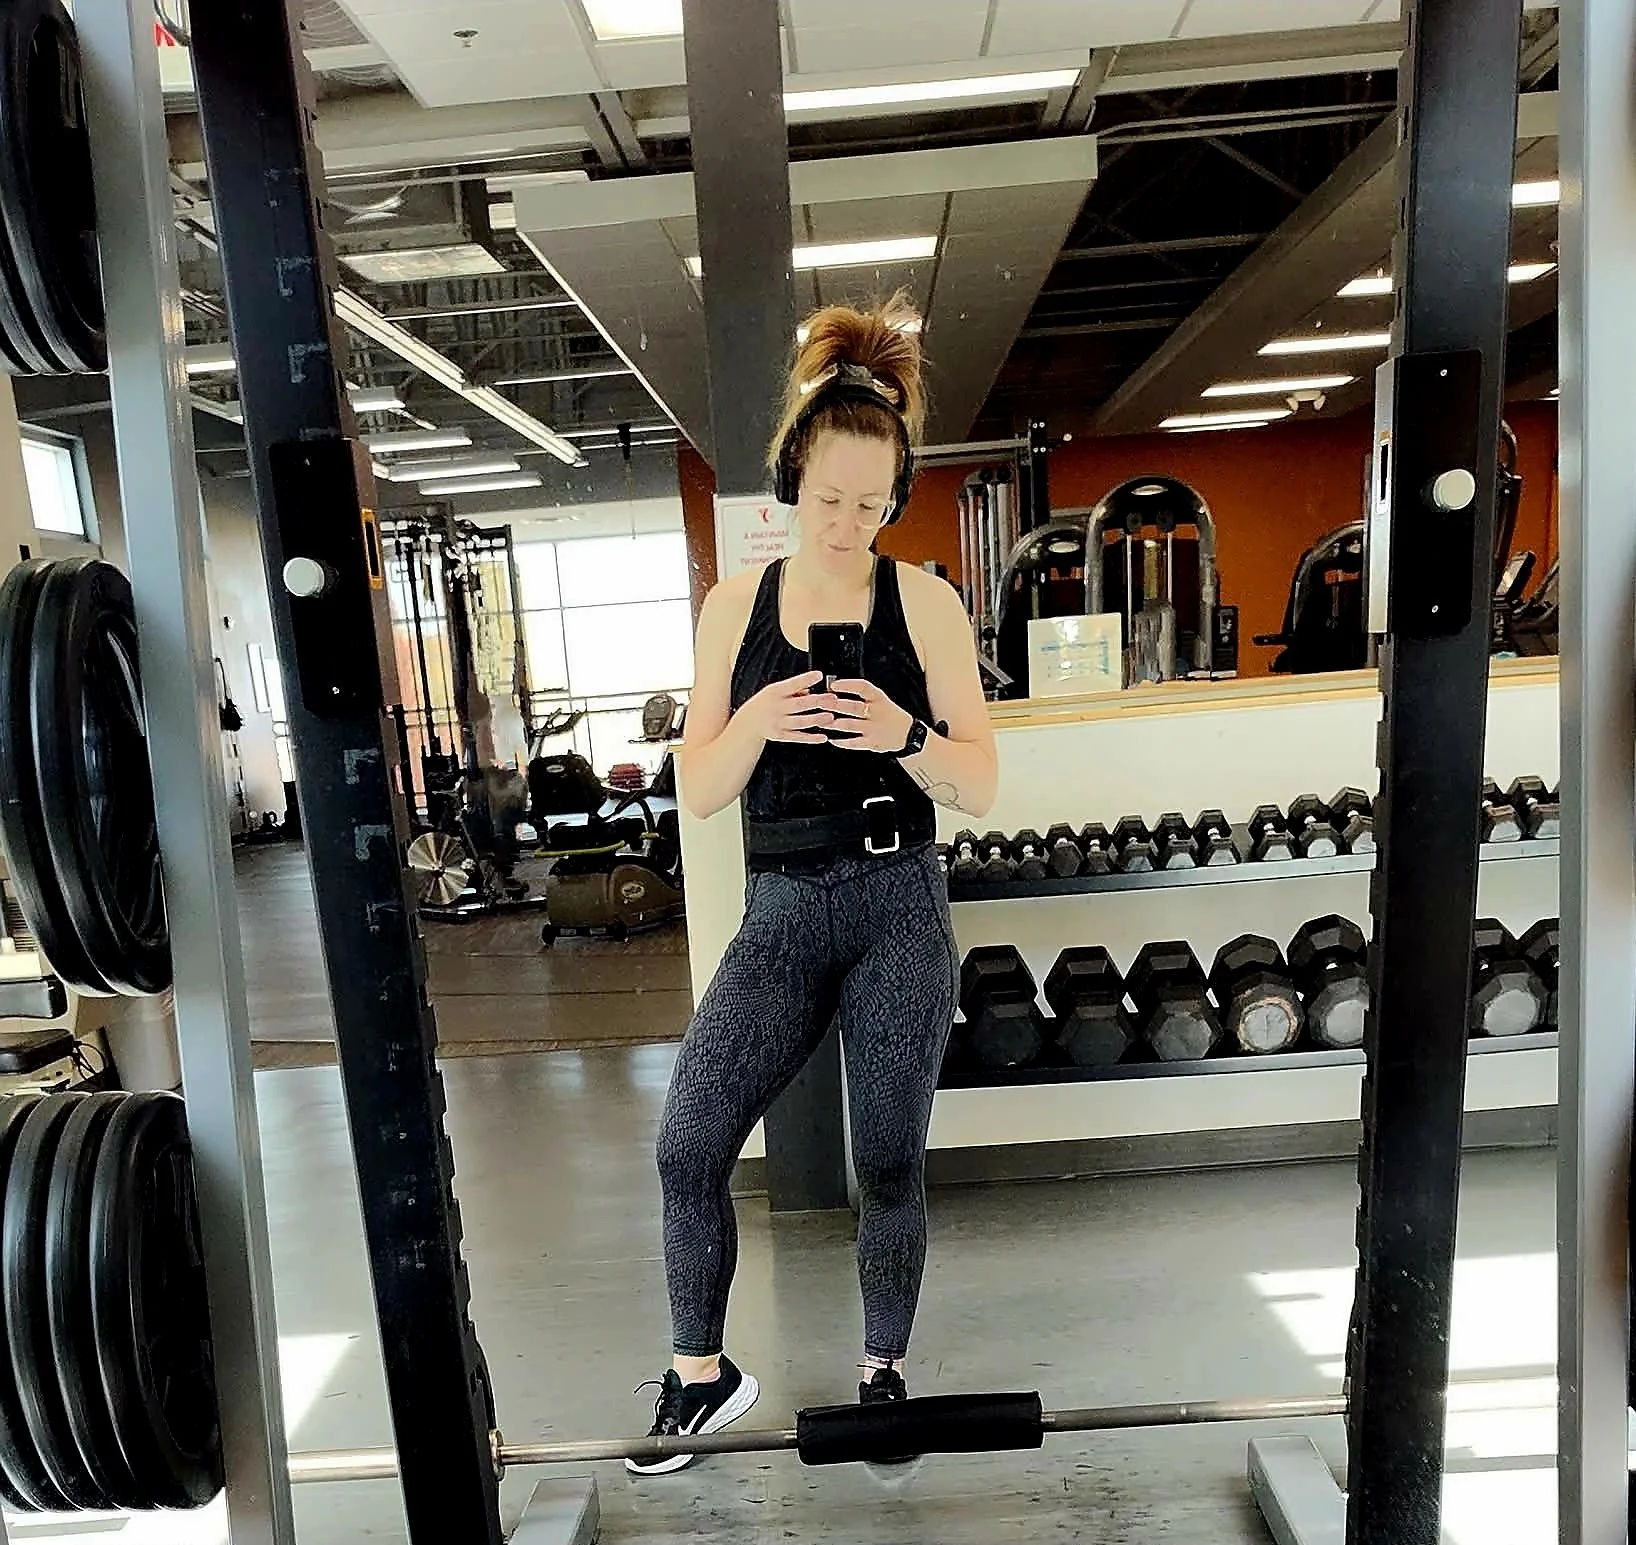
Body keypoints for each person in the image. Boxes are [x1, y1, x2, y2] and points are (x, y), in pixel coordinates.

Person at [629, 297, 998, 1475]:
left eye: (871, 504)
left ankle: (882, 1370)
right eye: (828, 498)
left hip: (899, 909)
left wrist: (899, 732)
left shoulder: (926, 603)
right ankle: (700, 1373)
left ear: (895, 502)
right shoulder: (732, 610)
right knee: (689, 1145)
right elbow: (697, 788)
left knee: (884, 1159)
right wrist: (755, 719)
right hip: (783, 914)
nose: (847, 523)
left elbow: (979, 783)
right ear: (791, 482)